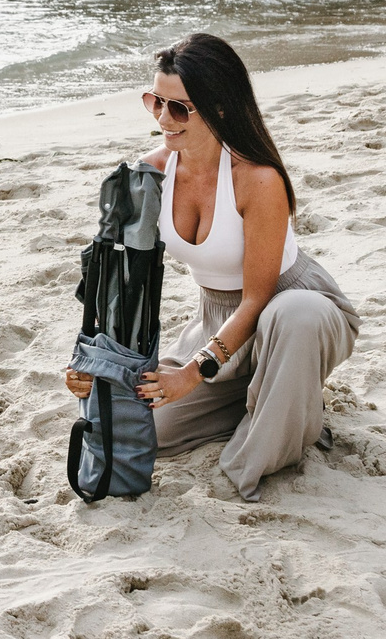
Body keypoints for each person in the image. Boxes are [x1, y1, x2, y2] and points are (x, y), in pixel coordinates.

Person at [69, 32, 360, 500]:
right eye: (155, 102)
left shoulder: (258, 179)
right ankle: (268, 397)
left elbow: (259, 299)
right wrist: (91, 364)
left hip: (294, 313)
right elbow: (118, 290)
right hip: (217, 318)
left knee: (291, 317)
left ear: (220, 108)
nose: (164, 118)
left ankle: (282, 421)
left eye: (180, 108)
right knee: (151, 430)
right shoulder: (146, 177)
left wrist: (194, 371)